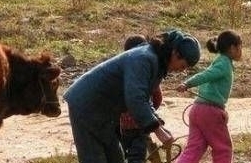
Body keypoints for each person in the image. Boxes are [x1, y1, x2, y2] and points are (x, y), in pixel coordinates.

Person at [64, 29, 201, 163]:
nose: (181, 71)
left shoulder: (157, 64)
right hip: (87, 105)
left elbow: (145, 99)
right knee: (94, 158)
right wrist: (158, 131)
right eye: (183, 66)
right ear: (175, 53)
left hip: (106, 112)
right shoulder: (143, 58)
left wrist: (158, 123)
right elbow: (135, 99)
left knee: (116, 158)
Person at [176, 30, 243, 163]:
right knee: (223, 149)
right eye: (240, 46)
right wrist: (188, 83)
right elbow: (206, 75)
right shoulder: (224, 63)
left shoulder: (220, 61)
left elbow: (207, 74)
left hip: (197, 110)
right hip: (210, 111)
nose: (241, 51)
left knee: (194, 148)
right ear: (232, 48)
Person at [118, 34, 164, 163]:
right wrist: (148, 113)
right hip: (141, 126)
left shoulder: (120, 70)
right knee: (137, 156)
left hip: (121, 125)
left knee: (121, 154)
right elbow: (158, 98)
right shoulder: (148, 70)